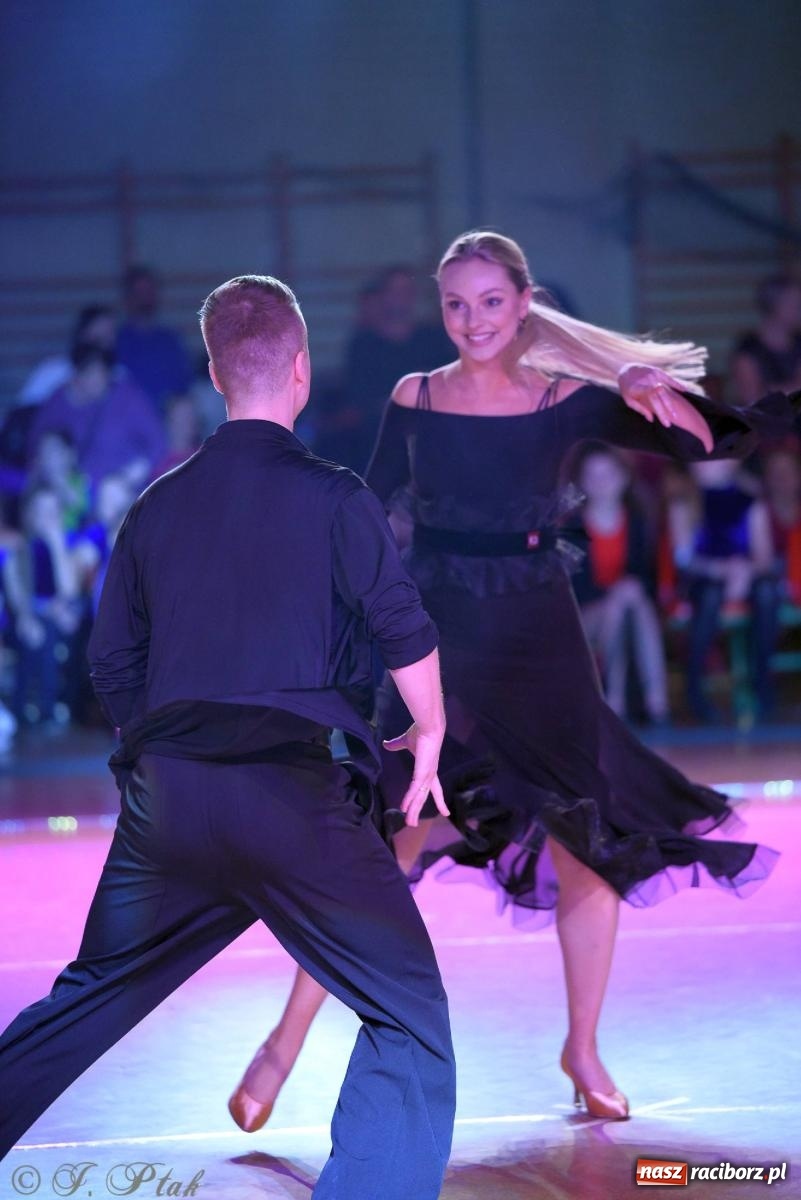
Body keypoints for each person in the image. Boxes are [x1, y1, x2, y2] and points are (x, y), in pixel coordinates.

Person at [231, 231, 791, 1129]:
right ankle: (282, 1042)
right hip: (439, 643)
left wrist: (643, 384)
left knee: (584, 841)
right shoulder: (414, 396)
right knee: (385, 838)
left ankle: (582, 1048)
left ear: (523, 303)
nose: (473, 319)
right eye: (456, 303)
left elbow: (704, 445)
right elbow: (364, 509)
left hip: (539, 639)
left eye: (491, 301)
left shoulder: (565, 399)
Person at [0, 275, 456, 1200]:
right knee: (407, 1016)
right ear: (301, 369)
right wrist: (432, 726)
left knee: (85, 1000)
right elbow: (401, 625)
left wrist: (156, 756)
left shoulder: (155, 506)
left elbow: (111, 663)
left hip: (170, 803)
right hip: (294, 800)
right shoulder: (335, 497)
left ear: (214, 375)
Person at [669, 459, 779, 721]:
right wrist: (719, 570)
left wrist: (744, 571)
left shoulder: (750, 500)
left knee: (767, 593)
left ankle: (762, 681)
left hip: (744, 574)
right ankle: (695, 688)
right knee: (710, 596)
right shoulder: (683, 502)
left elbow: (764, 555)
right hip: (702, 578)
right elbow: (683, 558)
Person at [570, 442, 669, 724]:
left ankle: (652, 702)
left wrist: (629, 590)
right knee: (619, 605)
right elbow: (575, 590)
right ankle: (618, 699)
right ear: (582, 483)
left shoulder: (637, 523)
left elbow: (649, 579)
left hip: (630, 610)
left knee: (636, 606)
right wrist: (615, 593)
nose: (601, 483)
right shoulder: (573, 529)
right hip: (586, 616)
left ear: (623, 478)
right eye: (593, 476)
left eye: (608, 474)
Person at [28, 343, 166, 490]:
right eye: (87, 374)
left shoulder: (129, 398)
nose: (93, 380)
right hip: (75, 493)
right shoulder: (62, 400)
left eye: (99, 373)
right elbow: (34, 445)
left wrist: (135, 473)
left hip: (122, 491)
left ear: (109, 374)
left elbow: (159, 443)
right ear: (77, 375)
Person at [116, 265, 194, 412]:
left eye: (149, 291)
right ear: (127, 297)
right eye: (139, 292)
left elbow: (185, 386)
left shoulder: (170, 341)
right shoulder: (116, 342)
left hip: (168, 418)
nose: (145, 298)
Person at [729, 275, 801, 407]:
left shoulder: (798, 344)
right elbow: (752, 399)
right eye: (795, 304)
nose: (798, 310)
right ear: (776, 306)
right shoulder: (749, 349)